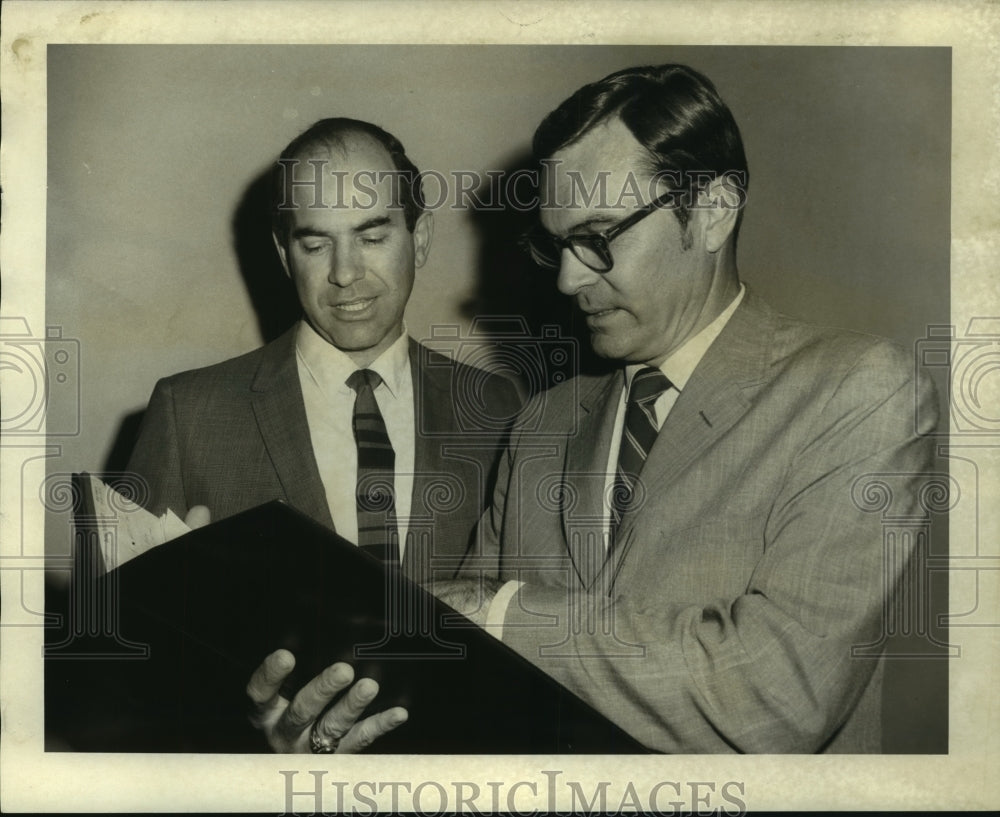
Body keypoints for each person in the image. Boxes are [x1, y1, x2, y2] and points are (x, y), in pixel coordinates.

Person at [260, 63, 939, 754]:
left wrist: (506, 612)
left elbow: (777, 694)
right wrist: (327, 728)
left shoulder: (856, 393)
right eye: (556, 244)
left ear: (711, 210)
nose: (567, 277)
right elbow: (466, 681)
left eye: (598, 237)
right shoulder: (543, 424)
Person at [125, 118, 521, 752]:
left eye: (371, 235)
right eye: (315, 244)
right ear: (284, 254)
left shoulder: (508, 413)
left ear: (419, 239)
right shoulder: (187, 412)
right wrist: (251, 732)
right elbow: (132, 678)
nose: (345, 274)